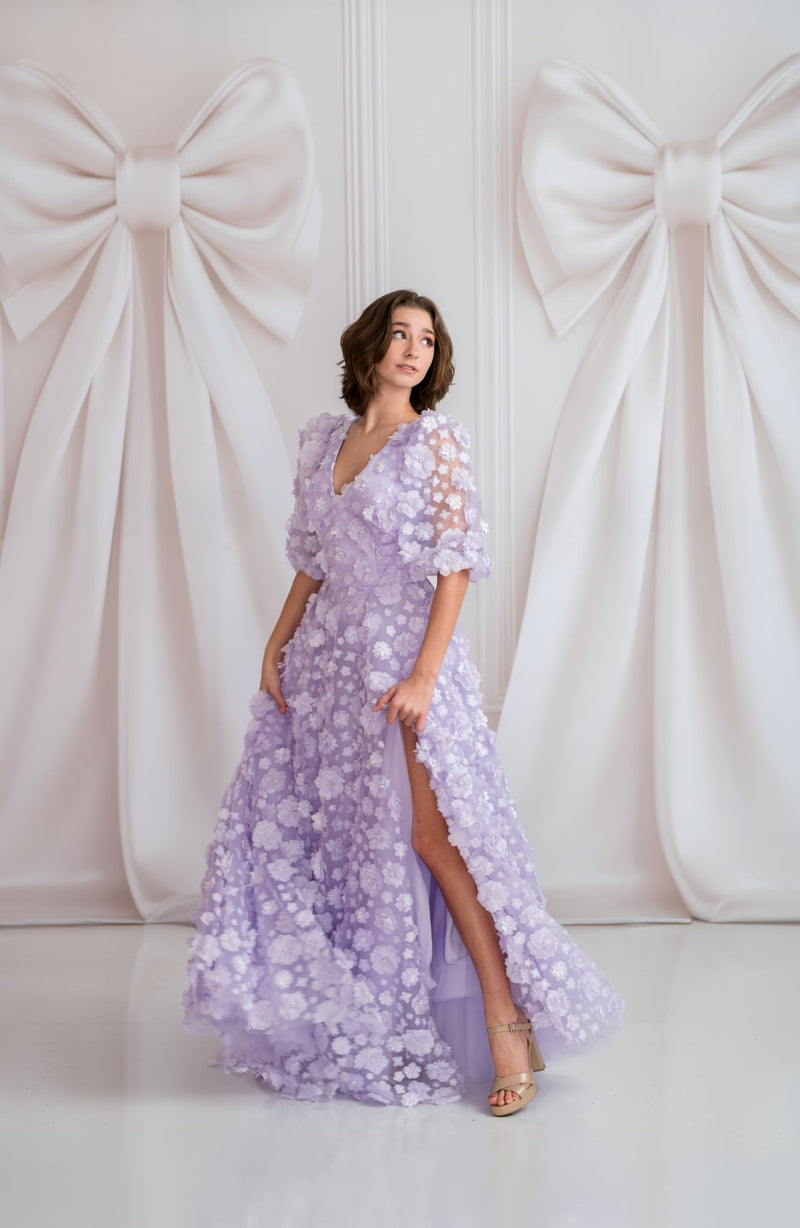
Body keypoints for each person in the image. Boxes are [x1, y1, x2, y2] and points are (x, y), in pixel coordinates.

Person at [182, 289, 625, 1115]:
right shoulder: (327, 444)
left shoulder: (437, 445)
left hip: (404, 660)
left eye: (427, 338)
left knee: (434, 834)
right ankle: (363, 1013)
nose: (414, 349)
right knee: (351, 840)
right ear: (370, 346)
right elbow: (313, 560)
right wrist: (278, 642)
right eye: (400, 333)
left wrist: (425, 675)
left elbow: (454, 565)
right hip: (330, 666)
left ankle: (506, 1021)